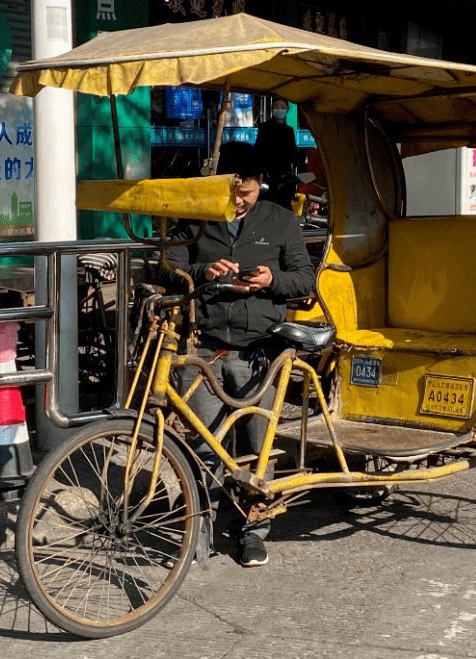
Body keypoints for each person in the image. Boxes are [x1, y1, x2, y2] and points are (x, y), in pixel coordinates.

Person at [164, 140, 315, 567]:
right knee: (204, 446)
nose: (238, 200)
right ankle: (201, 525)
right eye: (231, 191)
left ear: (260, 184)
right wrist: (200, 271)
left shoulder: (282, 221)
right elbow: (163, 266)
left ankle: (253, 531)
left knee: (255, 446)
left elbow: (304, 280)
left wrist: (271, 280)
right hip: (204, 349)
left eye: (246, 192)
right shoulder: (197, 217)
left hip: (260, 353)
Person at [254, 97, 298, 209]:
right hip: (270, 174)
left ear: (287, 109)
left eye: (283, 107)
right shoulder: (265, 127)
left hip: (286, 175)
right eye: (276, 107)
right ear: (272, 109)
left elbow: (293, 151)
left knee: (286, 205)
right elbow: (259, 150)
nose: (280, 110)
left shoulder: (289, 130)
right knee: (271, 205)